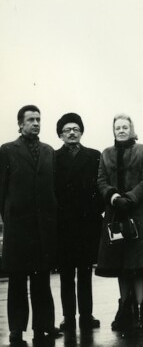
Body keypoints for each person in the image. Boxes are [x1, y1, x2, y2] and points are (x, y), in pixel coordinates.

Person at [0, 105, 62, 345]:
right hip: (18, 228)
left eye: (38, 119)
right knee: (17, 280)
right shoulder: (6, 151)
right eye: (31, 119)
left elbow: (53, 188)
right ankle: (16, 329)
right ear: (20, 124)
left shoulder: (48, 151)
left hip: (43, 228)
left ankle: (44, 325)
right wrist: (8, 217)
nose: (36, 123)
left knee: (42, 279)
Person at [96, 114, 143, 332]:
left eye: (125, 127)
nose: (121, 130)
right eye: (118, 127)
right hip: (115, 215)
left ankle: (141, 308)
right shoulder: (106, 154)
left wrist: (130, 198)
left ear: (131, 129)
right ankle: (124, 307)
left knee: (139, 264)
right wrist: (113, 196)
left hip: (138, 214)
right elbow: (101, 180)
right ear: (113, 130)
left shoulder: (142, 150)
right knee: (121, 265)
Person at [55, 113, 103, 330]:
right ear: (60, 134)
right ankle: (68, 317)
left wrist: (95, 211)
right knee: (66, 274)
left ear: (82, 131)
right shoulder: (52, 158)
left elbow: (101, 187)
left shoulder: (94, 155)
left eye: (76, 128)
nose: (72, 132)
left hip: (87, 224)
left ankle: (86, 315)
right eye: (67, 130)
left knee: (85, 272)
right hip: (63, 225)